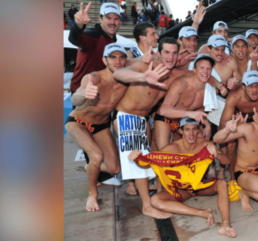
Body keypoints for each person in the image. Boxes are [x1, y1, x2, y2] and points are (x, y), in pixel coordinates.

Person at [129, 117, 236, 237]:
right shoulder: (172, 148)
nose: (191, 133)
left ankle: (226, 224)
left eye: (194, 129)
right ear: (181, 131)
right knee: (155, 200)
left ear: (198, 130)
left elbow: (227, 161)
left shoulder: (205, 144)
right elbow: (148, 163)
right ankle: (201, 213)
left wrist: (217, 154)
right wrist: (136, 159)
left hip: (200, 185)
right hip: (182, 190)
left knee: (222, 183)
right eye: (187, 129)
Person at [111, 41, 174, 216]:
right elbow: (118, 73)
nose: (170, 57)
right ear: (158, 53)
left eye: (174, 53)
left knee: (144, 158)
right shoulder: (144, 66)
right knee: (137, 159)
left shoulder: (172, 74)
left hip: (143, 119)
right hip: (126, 116)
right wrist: (142, 77)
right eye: (166, 52)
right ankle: (147, 206)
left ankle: (145, 197)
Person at [65, 43, 129, 212]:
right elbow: (75, 99)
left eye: (121, 57)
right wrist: (82, 94)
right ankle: (92, 194)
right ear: (104, 60)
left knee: (115, 168)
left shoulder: (126, 80)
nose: (118, 61)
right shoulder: (93, 78)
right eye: (113, 57)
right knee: (96, 155)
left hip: (101, 125)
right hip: (78, 122)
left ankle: (90, 168)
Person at [158, 54, 216, 140]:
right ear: (194, 70)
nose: (205, 72)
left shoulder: (209, 91)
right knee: (165, 148)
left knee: (203, 141)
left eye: (208, 69)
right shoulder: (181, 84)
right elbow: (163, 110)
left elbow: (200, 111)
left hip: (185, 122)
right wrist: (189, 113)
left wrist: (207, 125)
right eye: (202, 68)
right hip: (166, 118)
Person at [68, 2, 120, 94]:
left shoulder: (113, 39)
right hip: (82, 91)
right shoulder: (91, 36)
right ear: (100, 18)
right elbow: (74, 39)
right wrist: (78, 25)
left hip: (99, 89)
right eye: (108, 18)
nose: (112, 22)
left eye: (116, 19)